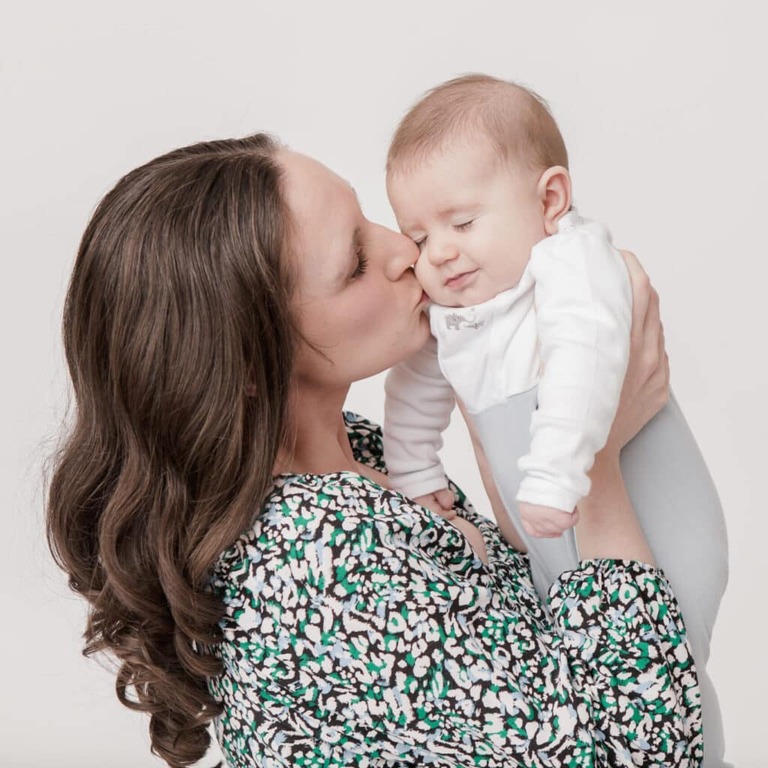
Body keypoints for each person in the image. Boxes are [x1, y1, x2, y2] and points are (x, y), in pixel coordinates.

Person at [47, 133, 703, 768]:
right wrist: (597, 465)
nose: (404, 250)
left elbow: (526, 626)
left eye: (369, 219)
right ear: (250, 359)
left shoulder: (353, 448)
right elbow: (647, 755)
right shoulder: (323, 565)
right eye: (355, 262)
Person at [383, 74, 729, 766]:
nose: (438, 252)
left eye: (461, 222)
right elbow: (417, 383)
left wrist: (557, 470)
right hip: (555, 538)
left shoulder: (569, 264)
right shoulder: (460, 311)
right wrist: (415, 467)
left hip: (646, 513)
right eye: (417, 235)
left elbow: (587, 357)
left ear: (550, 200)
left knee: (669, 653)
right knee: (603, 665)